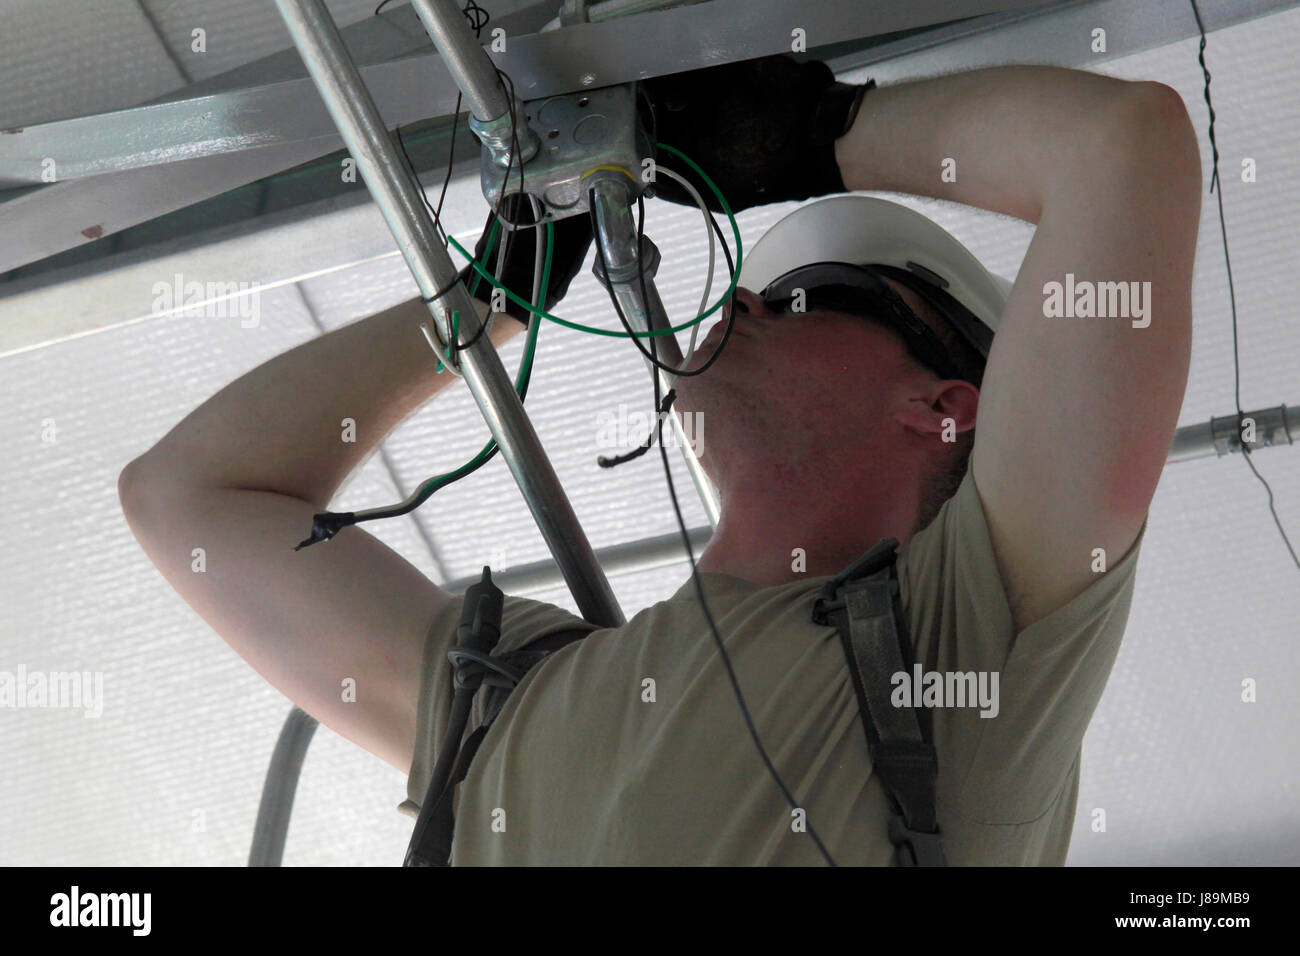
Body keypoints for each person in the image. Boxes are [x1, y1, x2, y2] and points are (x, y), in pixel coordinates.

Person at [118, 55, 1201, 865]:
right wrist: (483, 306)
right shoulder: (520, 691)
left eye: (804, 299)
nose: (733, 300)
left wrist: (815, 135)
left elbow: (1123, 148)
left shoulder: (972, 641)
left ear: (943, 407)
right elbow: (181, 500)